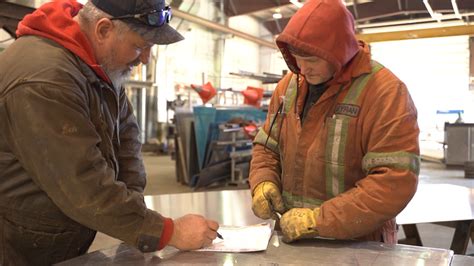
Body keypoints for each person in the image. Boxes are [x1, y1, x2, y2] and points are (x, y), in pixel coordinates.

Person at [0, 0, 219, 264]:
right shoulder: (46, 80)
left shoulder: (98, 63)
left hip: (58, 233)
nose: (145, 59)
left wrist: (134, 215)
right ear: (103, 30)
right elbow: (82, 182)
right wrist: (169, 231)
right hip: (20, 245)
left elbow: (127, 138)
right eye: (140, 46)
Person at [249, 0, 420, 244]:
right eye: (297, 58)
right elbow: (268, 147)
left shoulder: (385, 93)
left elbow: (394, 180)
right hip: (291, 239)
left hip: (360, 245)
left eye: (313, 60)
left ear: (339, 51)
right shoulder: (288, 87)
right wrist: (263, 181)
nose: (303, 69)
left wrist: (318, 221)